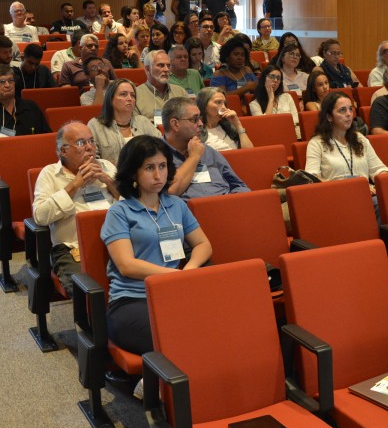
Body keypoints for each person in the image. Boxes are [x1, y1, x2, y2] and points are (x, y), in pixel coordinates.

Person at [101, 135, 212, 355]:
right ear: (133, 172)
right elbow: (126, 265)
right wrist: (174, 276)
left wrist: (189, 270)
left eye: (162, 166)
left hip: (173, 293)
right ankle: (153, 386)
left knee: (216, 327)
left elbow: (203, 244)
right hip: (132, 300)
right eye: (149, 168)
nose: (158, 175)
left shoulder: (175, 205)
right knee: (175, 338)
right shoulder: (120, 212)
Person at [33, 122, 119, 295]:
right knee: (87, 294)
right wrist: (75, 185)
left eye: (91, 141)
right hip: (74, 249)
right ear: (63, 151)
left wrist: (108, 181)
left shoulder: (107, 167)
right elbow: (40, 216)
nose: (90, 148)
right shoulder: (49, 175)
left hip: (118, 241)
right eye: (81, 143)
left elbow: (133, 204)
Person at [162, 97, 250, 199]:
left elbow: (239, 186)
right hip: (193, 212)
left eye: (200, 118)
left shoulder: (207, 150)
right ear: (175, 124)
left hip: (227, 206)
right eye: (194, 119)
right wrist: (194, 157)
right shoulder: (157, 156)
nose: (201, 123)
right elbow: (169, 193)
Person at [306, 92, 388, 191]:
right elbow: (311, 178)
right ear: (329, 116)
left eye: (350, 109)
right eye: (342, 110)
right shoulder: (317, 143)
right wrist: (345, 187)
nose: (349, 114)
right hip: (336, 196)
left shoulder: (360, 138)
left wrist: (381, 183)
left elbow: (379, 170)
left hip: (365, 194)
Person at [88, 79, 161, 165]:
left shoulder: (143, 121)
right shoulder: (95, 125)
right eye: (123, 94)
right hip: (112, 176)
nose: (130, 98)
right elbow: (91, 159)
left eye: (133, 95)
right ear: (110, 99)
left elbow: (161, 148)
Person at [134, 50, 188, 123]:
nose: (166, 69)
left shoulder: (180, 92)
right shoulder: (135, 95)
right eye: (161, 65)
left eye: (168, 66)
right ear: (148, 69)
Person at [249, 64, 300, 139]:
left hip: (293, 135)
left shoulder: (287, 97)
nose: (275, 80)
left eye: (278, 78)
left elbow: (296, 120)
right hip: (270, 138)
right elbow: (264, 125)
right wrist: (271, 99)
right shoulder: (254, 104)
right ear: (264, 79)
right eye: (272, 77)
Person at [0, 64, 51, 135]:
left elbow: (47, 136)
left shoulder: (31, 107)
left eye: (10, 80)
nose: (7, 85)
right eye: (2, 82)